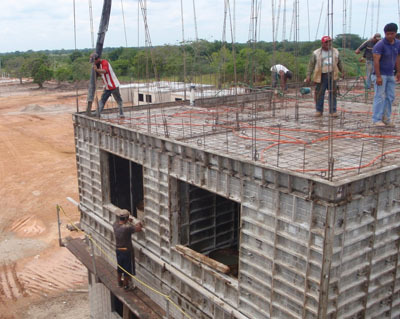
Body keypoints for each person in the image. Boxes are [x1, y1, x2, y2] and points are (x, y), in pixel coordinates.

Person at [305, 36, 343, 117]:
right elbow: (311, 65)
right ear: (322, 43)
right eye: (326, 42)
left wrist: (343, 71)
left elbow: (339, 62)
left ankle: (333, 111)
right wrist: (308, 75)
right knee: (319, 94)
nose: (328, 44)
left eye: (329, 42)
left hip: (332, 74)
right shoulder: (316, 53)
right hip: (321, 75)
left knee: (332, 93)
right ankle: (319, 110)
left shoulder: (335, 51)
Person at [371, 23, 400, 127]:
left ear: (395, 33)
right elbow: (376, 61)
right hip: (380, 74)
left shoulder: (398, 44)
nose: (389, 36)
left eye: (392, 34)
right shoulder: (380, 45)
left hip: (390, 74)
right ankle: (376, 119)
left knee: (390, 97)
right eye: (387, 34)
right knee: (380, 96)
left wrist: (398, 71)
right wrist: (378, 76)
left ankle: (386, 118)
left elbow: (397, 58)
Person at [113, 209, 143, 290]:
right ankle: (127, 286)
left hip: (118, 249)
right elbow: (138, 229)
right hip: (126, 251)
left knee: (120, 267)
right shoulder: (127, 228)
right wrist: (139, 223)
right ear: (126, 218)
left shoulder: (115, 225)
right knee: (127, 269)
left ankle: (119, 282)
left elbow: (122, 223)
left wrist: (127, 220)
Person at [89, 53, 125, 118]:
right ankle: (97, 112)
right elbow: (101, 74)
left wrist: (97, 69)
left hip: (113, 85)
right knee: (102, 100)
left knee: (118, 100)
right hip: (107, 86)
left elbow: (105, 71)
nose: (93, 63)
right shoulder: (99, 65)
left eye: (94, 61)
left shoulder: (104, 63)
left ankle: (121, 113)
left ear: (97, 59)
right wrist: (97, 72)